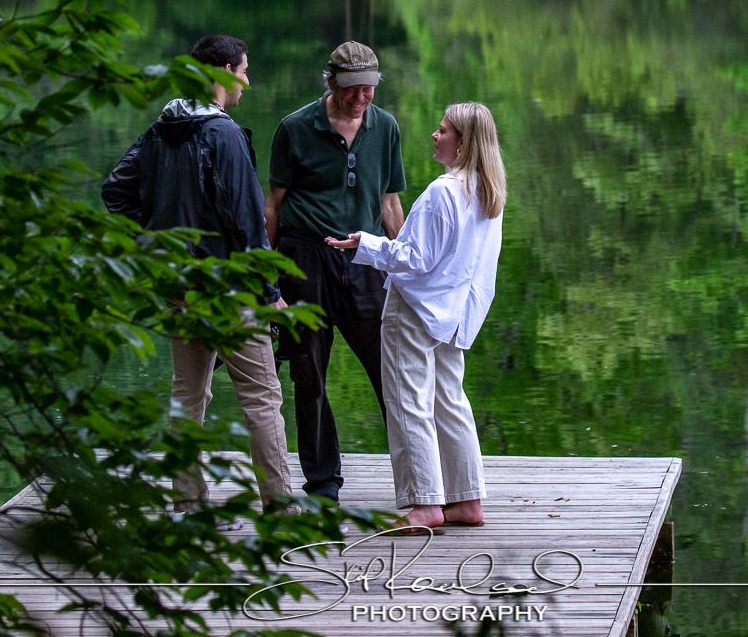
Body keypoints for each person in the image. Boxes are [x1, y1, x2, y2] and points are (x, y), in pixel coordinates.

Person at [102, 34, 292, 516]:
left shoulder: (163, 127)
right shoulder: (223, 134)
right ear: (224, 71)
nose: (247, 80)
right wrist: (269, 293)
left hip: (180, 289)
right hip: (231, 293)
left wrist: (155, 240)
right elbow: (249, 220)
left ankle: (187, 503)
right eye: (244, 70)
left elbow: (115, 191)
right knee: (262, 398)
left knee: (188, 395)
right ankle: (282, 507)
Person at [325, 102, 506, 531]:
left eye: (442, 131)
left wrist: (363, 245)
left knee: (409, 401)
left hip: (417, 309)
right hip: (456, 312)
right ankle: (466, 499)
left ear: (462, 143)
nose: (434, 136)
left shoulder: (444, 192)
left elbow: (414, 258)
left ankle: (424, 502)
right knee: (449, 402)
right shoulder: (487, 190)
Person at [265, 41, 406, 504]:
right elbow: (274, 206)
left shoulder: (385, 128)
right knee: (309, 373)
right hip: (305, 259)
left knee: (393, 369)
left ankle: (421, 479)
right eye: (351, 88)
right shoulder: (295, 128)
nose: (360, 97)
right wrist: (264, 279)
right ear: (330, 82)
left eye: (368, 88)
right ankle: (323, 485)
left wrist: (405, 267)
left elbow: (389, 204)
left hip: (364, 259)